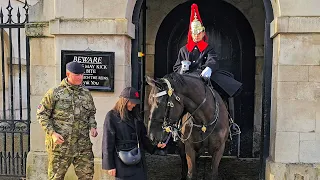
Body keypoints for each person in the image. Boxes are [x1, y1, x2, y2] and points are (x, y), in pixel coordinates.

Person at [37, 61, 98, 180]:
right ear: (68, 74)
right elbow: (41, 115)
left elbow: (91, 113)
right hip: (61, 146)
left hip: (82, 145)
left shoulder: (86, 93)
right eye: (77, 75)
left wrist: (93, 126)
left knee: (87, 176)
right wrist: (52, 133)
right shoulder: (55, 93)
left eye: (81, 74)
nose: (80, 77)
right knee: (56, 177)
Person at [173, 3, 242, 99]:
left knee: (222, 91)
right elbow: (176, 67)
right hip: (188, 79)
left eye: (199, 33)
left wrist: (208, 68)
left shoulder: (208, 48)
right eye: (194, 33)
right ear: (191, 34)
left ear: (203, 33)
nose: (196, 35)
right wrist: (182, 68)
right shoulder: (183, 50)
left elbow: (213, 60)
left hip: (204, 77)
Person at [102, 87, 166, 180]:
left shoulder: (136, 116)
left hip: (137, 159)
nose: (133, 104)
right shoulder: (111, 116)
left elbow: (143, 137)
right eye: (131, 102)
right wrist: (110, 165)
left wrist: (155, 147)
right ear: (124, 101)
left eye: (135, 102)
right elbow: (107, 142)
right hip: (121, 159)